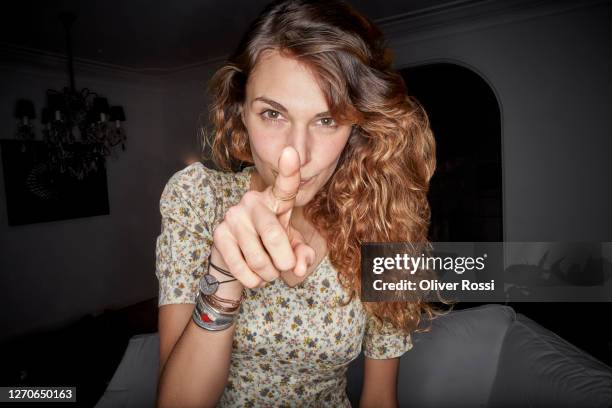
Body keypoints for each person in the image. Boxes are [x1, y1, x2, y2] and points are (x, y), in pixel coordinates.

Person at [155, 0, 446, 406]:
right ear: (241, 111)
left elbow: (380, 397)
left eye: (327, 120)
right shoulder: (197, 198)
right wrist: (224, 274)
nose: (297, 154)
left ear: (356, 128)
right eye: (273, 113)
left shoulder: (379, 225)